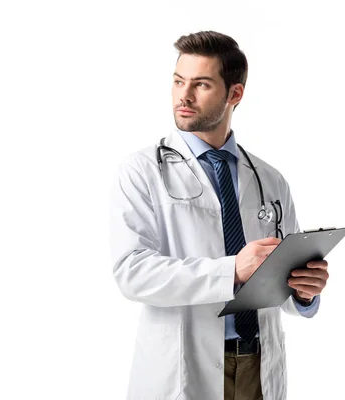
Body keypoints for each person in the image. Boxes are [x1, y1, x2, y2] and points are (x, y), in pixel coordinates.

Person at [108, 31, 330, 400]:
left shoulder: (269, 179)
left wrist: (304, 291)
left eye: (201, 84)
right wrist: (231, 270)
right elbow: (131, 272)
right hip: (183, 368)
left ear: (235, 94)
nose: (184, 95)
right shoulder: (141, 171)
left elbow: (281, 282)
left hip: (258, 367)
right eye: (179, 81)